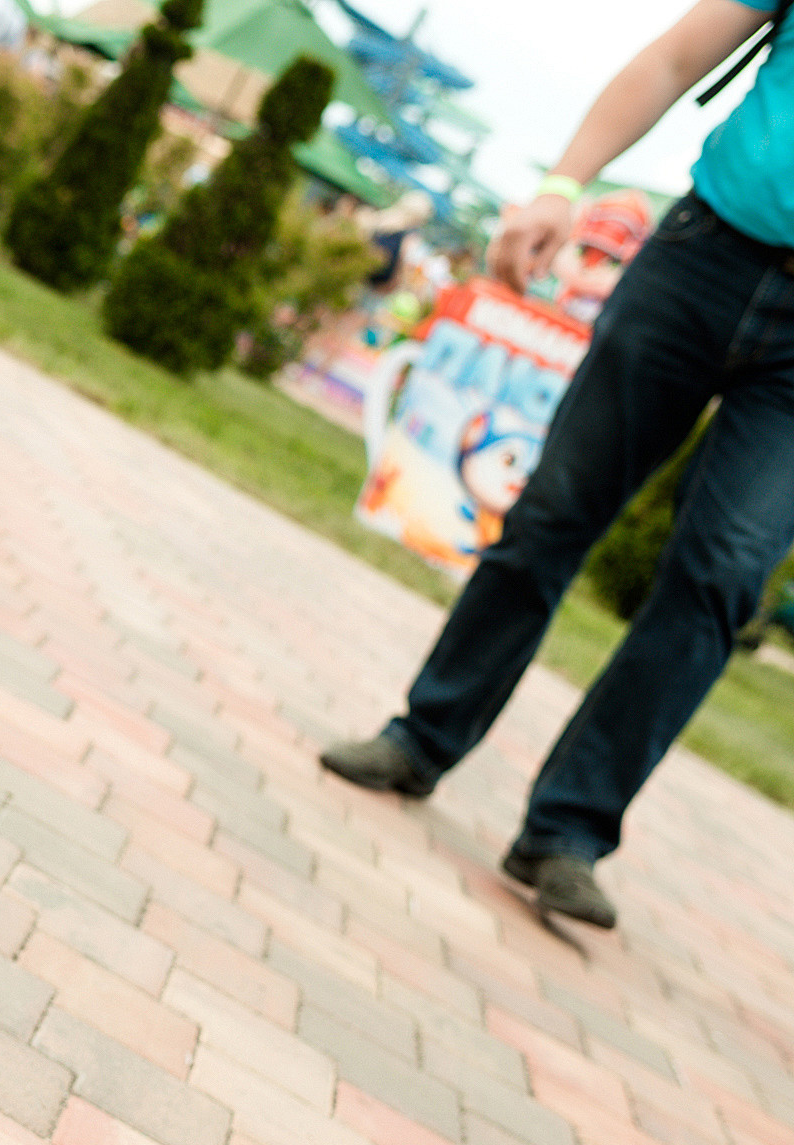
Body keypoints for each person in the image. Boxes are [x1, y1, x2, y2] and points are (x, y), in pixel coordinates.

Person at [321, 0, 794, 929]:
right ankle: (422, 741)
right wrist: (562, 184)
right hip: (704, 261)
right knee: (555, 510)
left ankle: (566, 832)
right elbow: (672, 60)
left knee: (723, 576)